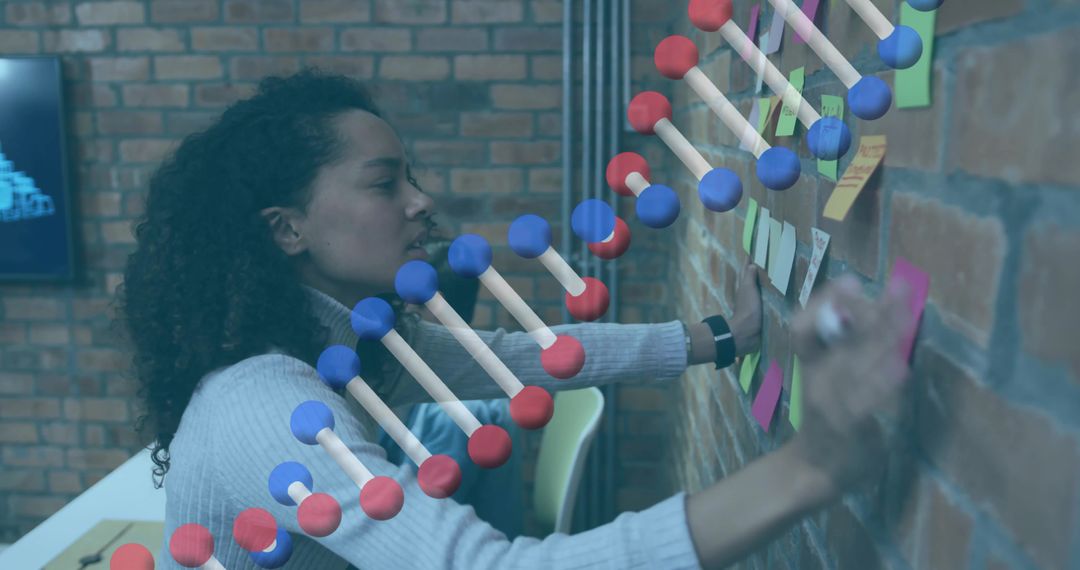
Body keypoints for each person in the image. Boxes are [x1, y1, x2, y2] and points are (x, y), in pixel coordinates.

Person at [117, 68, 911, 569]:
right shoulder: (263, 404)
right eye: (384, 183)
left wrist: (718, 339)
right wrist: (811, 468)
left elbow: (523, 355)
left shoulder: (348, 339)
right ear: (287, 228)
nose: (421, 201)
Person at [378, 239, 527, 540]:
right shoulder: (439, 382)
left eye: (413, 302)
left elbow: (419, 525)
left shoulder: (457, 415)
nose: (400, 312)